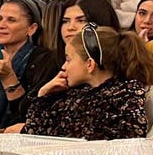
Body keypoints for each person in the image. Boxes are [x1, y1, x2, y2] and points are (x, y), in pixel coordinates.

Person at [24, 25, 152, 139]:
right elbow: (36, 134)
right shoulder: (76, 94)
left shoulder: (125, 96)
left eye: (68, 60)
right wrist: (43, 94)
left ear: (90, 64)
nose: (63, 66)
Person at [0, 0, 55, 134]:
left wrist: (8, 77)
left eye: (11, 20)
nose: (1, 25)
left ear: (31, 29)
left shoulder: (44, 60)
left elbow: (30, 116)